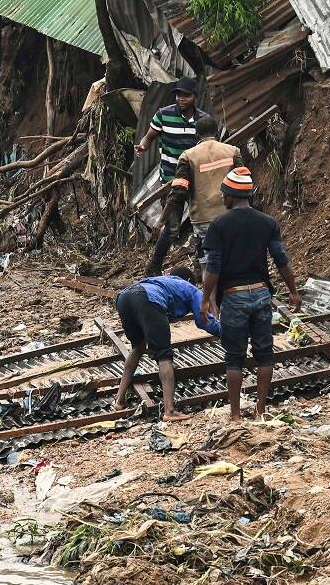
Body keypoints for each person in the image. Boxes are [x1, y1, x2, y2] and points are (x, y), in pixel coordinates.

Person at [201, 167, 301, 422]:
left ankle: (235, 415)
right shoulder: (267, 222)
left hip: (234, 296)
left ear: (230, 196)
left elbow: (213, 267)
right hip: (261, 295)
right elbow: (281, 260)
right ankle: (261, 410)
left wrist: (205, 299)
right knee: (264, 354)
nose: (222, 199)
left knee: (234, 358)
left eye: (224, 194)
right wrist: (293, 291)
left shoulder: (219, 224)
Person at [113, 267, 221, 422]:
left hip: (124, 298)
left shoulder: (162, 280)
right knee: (164, 356)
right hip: (147, 299)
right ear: (189, 280)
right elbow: (204, 321)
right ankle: (169, 411)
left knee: (138, 347)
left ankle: (118, 401)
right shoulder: (189, 287)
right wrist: (227, 331)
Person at [135, 77, 211, 276]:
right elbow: (149, 137)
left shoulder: (203, 120)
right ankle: (154, 267)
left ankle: (200, 267)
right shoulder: (164, 115)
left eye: (186, 95)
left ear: (195, 97)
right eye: (178, 95)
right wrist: (143, 146)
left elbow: (209, 147)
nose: (181, 99)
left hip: (196, 181)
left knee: (201, 224)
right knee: (172, 228)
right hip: (170, 180)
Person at [163, 116, 242, 278]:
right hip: (232, 216)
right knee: (235, 258)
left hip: (203, 219)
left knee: (208, 264)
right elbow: (243, 183)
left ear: (196, 135)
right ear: (217, 133)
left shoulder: (187, 156)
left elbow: (178, 191)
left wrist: (161, 220)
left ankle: (210, 301)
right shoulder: (233, 151)